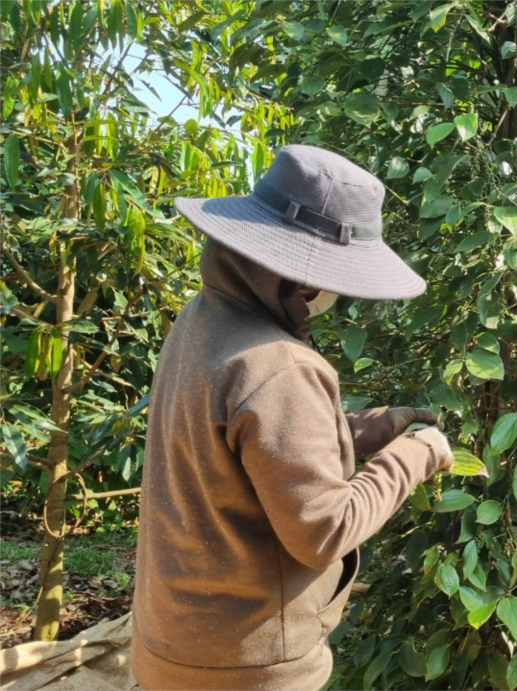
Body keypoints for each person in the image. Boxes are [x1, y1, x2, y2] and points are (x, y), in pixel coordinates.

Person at [132, 145, 453, 690]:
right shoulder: (282, 367)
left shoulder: (203, 319)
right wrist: (414, 456)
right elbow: (324, 530)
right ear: (299, 279)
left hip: (173, 640)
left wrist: (353, 433)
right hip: (248, 667)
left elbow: (237, 452)